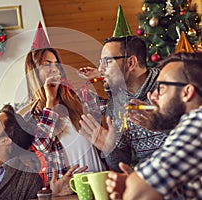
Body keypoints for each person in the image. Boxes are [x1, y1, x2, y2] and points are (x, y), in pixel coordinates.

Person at [106, 52, 202, 199]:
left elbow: (138, 193)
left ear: (187, 92)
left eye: (161, 88)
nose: (153, 97)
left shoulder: (198, 122)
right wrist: (136, 182)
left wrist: (138, 185)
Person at [21, 22, 106, 188]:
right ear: (34, 70)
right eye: (47, 64)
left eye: (56, 63)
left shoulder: (79, 98)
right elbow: (43, 146)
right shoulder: (31, 116)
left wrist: (101, 75)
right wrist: (50, 102)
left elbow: (113, 107)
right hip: (71, 189)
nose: (54, 68)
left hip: (100, 179)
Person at [78, 35, 168, 171]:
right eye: (100, 62)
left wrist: (164, 125)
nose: (100, 69)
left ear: (131, 63)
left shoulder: (171, 88)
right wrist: (110, 150)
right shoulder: (116, 106)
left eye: (107, 62)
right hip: (148, 183)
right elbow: (122, 166)